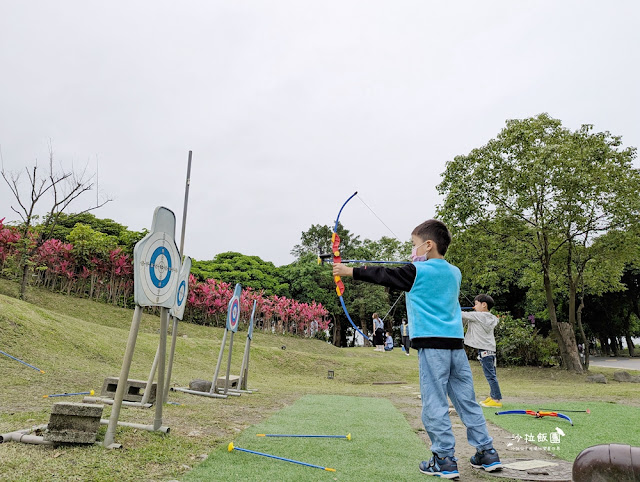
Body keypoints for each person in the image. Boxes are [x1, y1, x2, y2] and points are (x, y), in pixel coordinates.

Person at [333, 219, 502, 478]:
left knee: (434, 401)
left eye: (414, 245)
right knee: (466, 399)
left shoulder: (415, 271)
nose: (413, 250)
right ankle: (487, 452)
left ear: (428, 245)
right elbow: (406, 274)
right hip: (455, 347)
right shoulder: (454, 272)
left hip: (432, 347)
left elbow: (384, 275)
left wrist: (348, 271)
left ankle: (444, 459)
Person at [462, 294, 503, 408]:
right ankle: (493, 396)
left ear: (484, 305)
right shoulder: (490, 317)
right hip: (490, 349)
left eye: (476, 304)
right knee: (492, 375)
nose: (474, 307)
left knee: (490, 376)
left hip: (485, 350)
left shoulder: (479, 316)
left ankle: (496, 399)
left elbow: (461, 314)